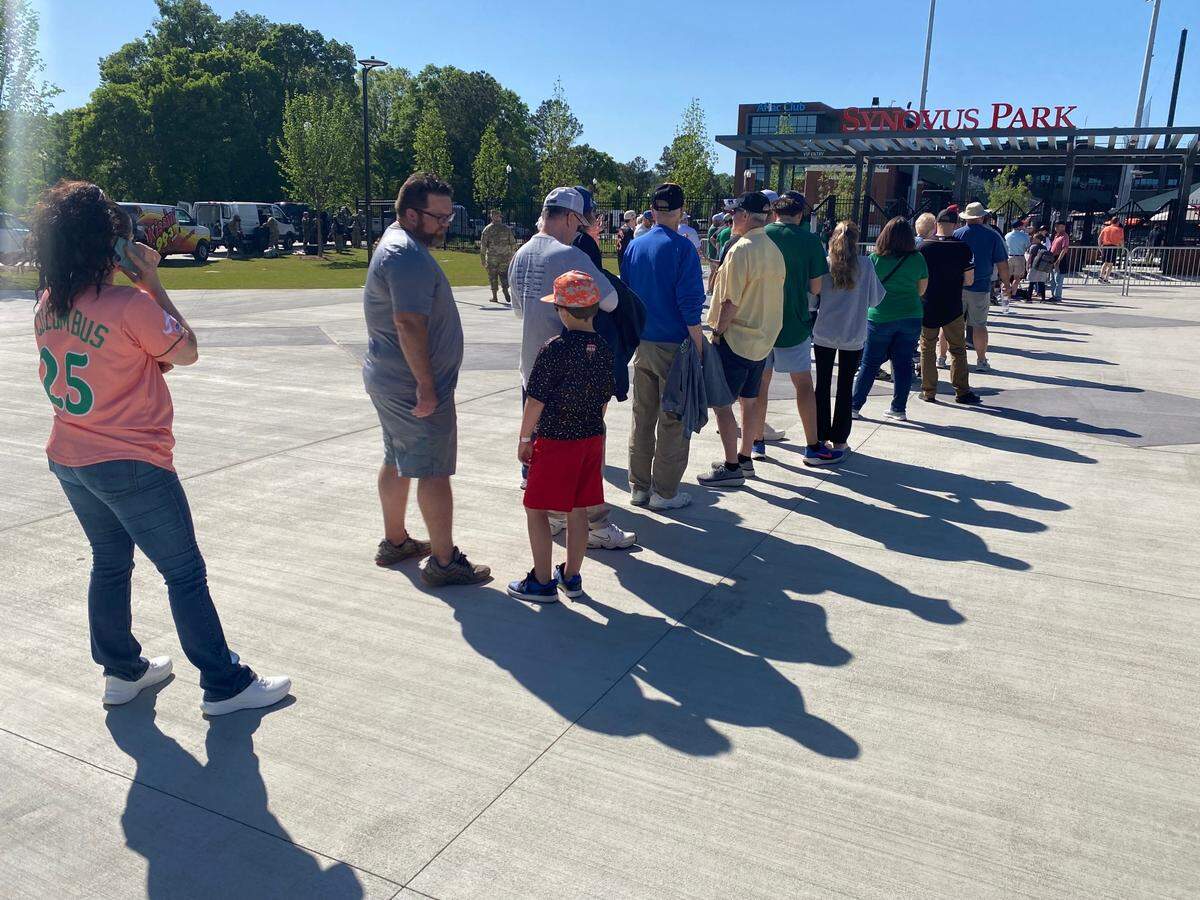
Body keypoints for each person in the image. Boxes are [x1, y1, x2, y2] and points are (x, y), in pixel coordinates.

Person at [29, 181, 290, 716]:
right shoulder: (128, 303)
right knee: (184, 573)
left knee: (109, 562)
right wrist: (152, 281)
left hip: (70, 455)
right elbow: (186, 349)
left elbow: (129, 356)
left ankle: (121, 671)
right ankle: (224, 682)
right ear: (107, 242)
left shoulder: (48, 303)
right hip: (130, 460)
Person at [363, 172, 490, 586]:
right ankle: (443, 561)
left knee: (396, 458)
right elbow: (408, 323)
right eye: (440, 217)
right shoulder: (406, 255)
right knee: (433, 470)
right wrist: (428, 386)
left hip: (390, 379)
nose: (446, 224)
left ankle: (396, 541)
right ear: (413, 214)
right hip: (411, 385)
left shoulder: (398, 244)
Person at [509, 187, 634, 550]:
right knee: (582, 453)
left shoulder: (520, 255)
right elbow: (608, 300)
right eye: (579, 223)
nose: (579, 231)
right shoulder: (570, 255)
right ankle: (595, 522)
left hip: (532, 367)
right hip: (570, 374)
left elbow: (519, 310)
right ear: (568, 218)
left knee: (544, 451)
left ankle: (552, 516)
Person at [509, 271, 615, 602]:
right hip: (591, 437)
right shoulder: (604, 348)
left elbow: (536, 399)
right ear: (595, 309)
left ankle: (541, 582)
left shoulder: (554, 349)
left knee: (536, 507)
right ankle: (571, 575)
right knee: (578, 508)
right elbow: (603, 399)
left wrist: (525, 438)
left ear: (564, 311)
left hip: (557, 439)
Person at [621, 182, 706, 509]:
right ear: (681, 211)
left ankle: (638, 486)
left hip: (643, 342)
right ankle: (665, 492)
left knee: (643, 417)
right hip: (675, 345)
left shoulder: (635, 246)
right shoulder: (683, 249)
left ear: (653, 211)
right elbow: (689, 307)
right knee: (672, 419)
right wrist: (699, 348)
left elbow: (626, 294)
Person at [699, 191, 786, 488]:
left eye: (735, 213)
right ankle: (745, 457)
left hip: (736, 338)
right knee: (750, 400)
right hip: (762, 339)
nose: (731, 218)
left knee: (722, 403)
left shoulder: (741, 249)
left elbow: (730, 302)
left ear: (746, 216)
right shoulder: (773, 249)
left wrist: (718, 333)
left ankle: (731, 465)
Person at [755, 191, 841, 466]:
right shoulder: (810, 241)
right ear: (800, 215)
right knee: (803, 384)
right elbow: (816, 288)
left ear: (774, 213)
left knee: (760, 383)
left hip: (759, 322)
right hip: (794, 321)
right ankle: (812, 446)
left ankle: (756, 441)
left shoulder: (759, 235)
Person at [811, 221, 884, 450]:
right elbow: (875, 300)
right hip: (853, 332)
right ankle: (840, 439)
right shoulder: (866, 265)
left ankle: (820, 433)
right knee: (845, 387)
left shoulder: (825, 264)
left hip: (825, 331)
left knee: (821, 385)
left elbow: (812, 302)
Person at [850, 216, 928, 423]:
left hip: (880, 315)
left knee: (870, 363)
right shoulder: (917, 259)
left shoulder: (875, 259)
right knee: (903, 364)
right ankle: (898, 408)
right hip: (911, 314)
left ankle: (855, 405)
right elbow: (922, 289)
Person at [919, 207, 981, 405]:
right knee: (958, 349)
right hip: (952, 305)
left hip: (928, 304)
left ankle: (928, 391)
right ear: (955, 225)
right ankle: (962, 391)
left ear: (936, 223)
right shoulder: (963, 248)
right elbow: (969, 280)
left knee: (927, 348)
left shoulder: (923, 248)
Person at [954, 201, 1011, 369]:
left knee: (952, 325)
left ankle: (943, 358)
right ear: (982, 217)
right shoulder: (993, 236)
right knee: (979, 326)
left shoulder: (957, 235)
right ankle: (981, 360)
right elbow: (1002, 264)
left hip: (957, 286)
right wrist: (1006, 284)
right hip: (980, 287)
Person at [479, 209, 517, 303]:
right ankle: (505, 289)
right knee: (504, 275)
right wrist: (512, 255)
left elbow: (483, 245)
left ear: (491, 217)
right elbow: (513, 243)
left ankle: (495, 296)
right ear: (500, 217)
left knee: (493, 276)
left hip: (492, 257)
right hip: (505, 257)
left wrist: (482, 258)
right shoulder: (507, 229)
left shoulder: (487, 229)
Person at [1005, 217, 1031, 298]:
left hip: (1009, 256)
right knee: (1017, 278)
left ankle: (1005, 292)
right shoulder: (1024, 236)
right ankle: (1013, 294)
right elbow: (1027, 246)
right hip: (1019, 257)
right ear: (1019, 226)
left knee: (1007, 277)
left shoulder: (1007, 235)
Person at [1047, 220, 1070, 302]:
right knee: (1052, 278)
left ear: (1063, 227)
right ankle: (1053, 295)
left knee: (1058, 279)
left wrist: (1059, 260)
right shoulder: (1056, 236)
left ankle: (1057, 297)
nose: (1056, 228)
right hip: (1053, 258)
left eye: (1058, 226)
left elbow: (1064, 249)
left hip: (1060, 258)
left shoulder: (1065, 236)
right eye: (1055, 226)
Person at [1026, 229, 1052, 301]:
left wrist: (1027, 266)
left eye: (1034, 238)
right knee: (1041, 283)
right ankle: (1043, 298)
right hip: (1042, 267)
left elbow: (1030, 257)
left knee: (1031, 282)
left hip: (1034, 266)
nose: (1032, 239)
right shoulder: (1044, 247)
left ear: (1038, 239)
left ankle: (1029, 298)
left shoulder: (1033, 247)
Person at [1098, 216, 1125, 283]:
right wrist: (1123, 248)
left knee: (1105, 262)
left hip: (1105, 246)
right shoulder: (1119, 230)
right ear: (1118, 222)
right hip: (1113, 246)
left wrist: (1100, 247)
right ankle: (1106, 278)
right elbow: (1121, 240)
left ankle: (1101, 276)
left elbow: (1099, 238)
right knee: (1110, 264)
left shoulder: (1106, 228)